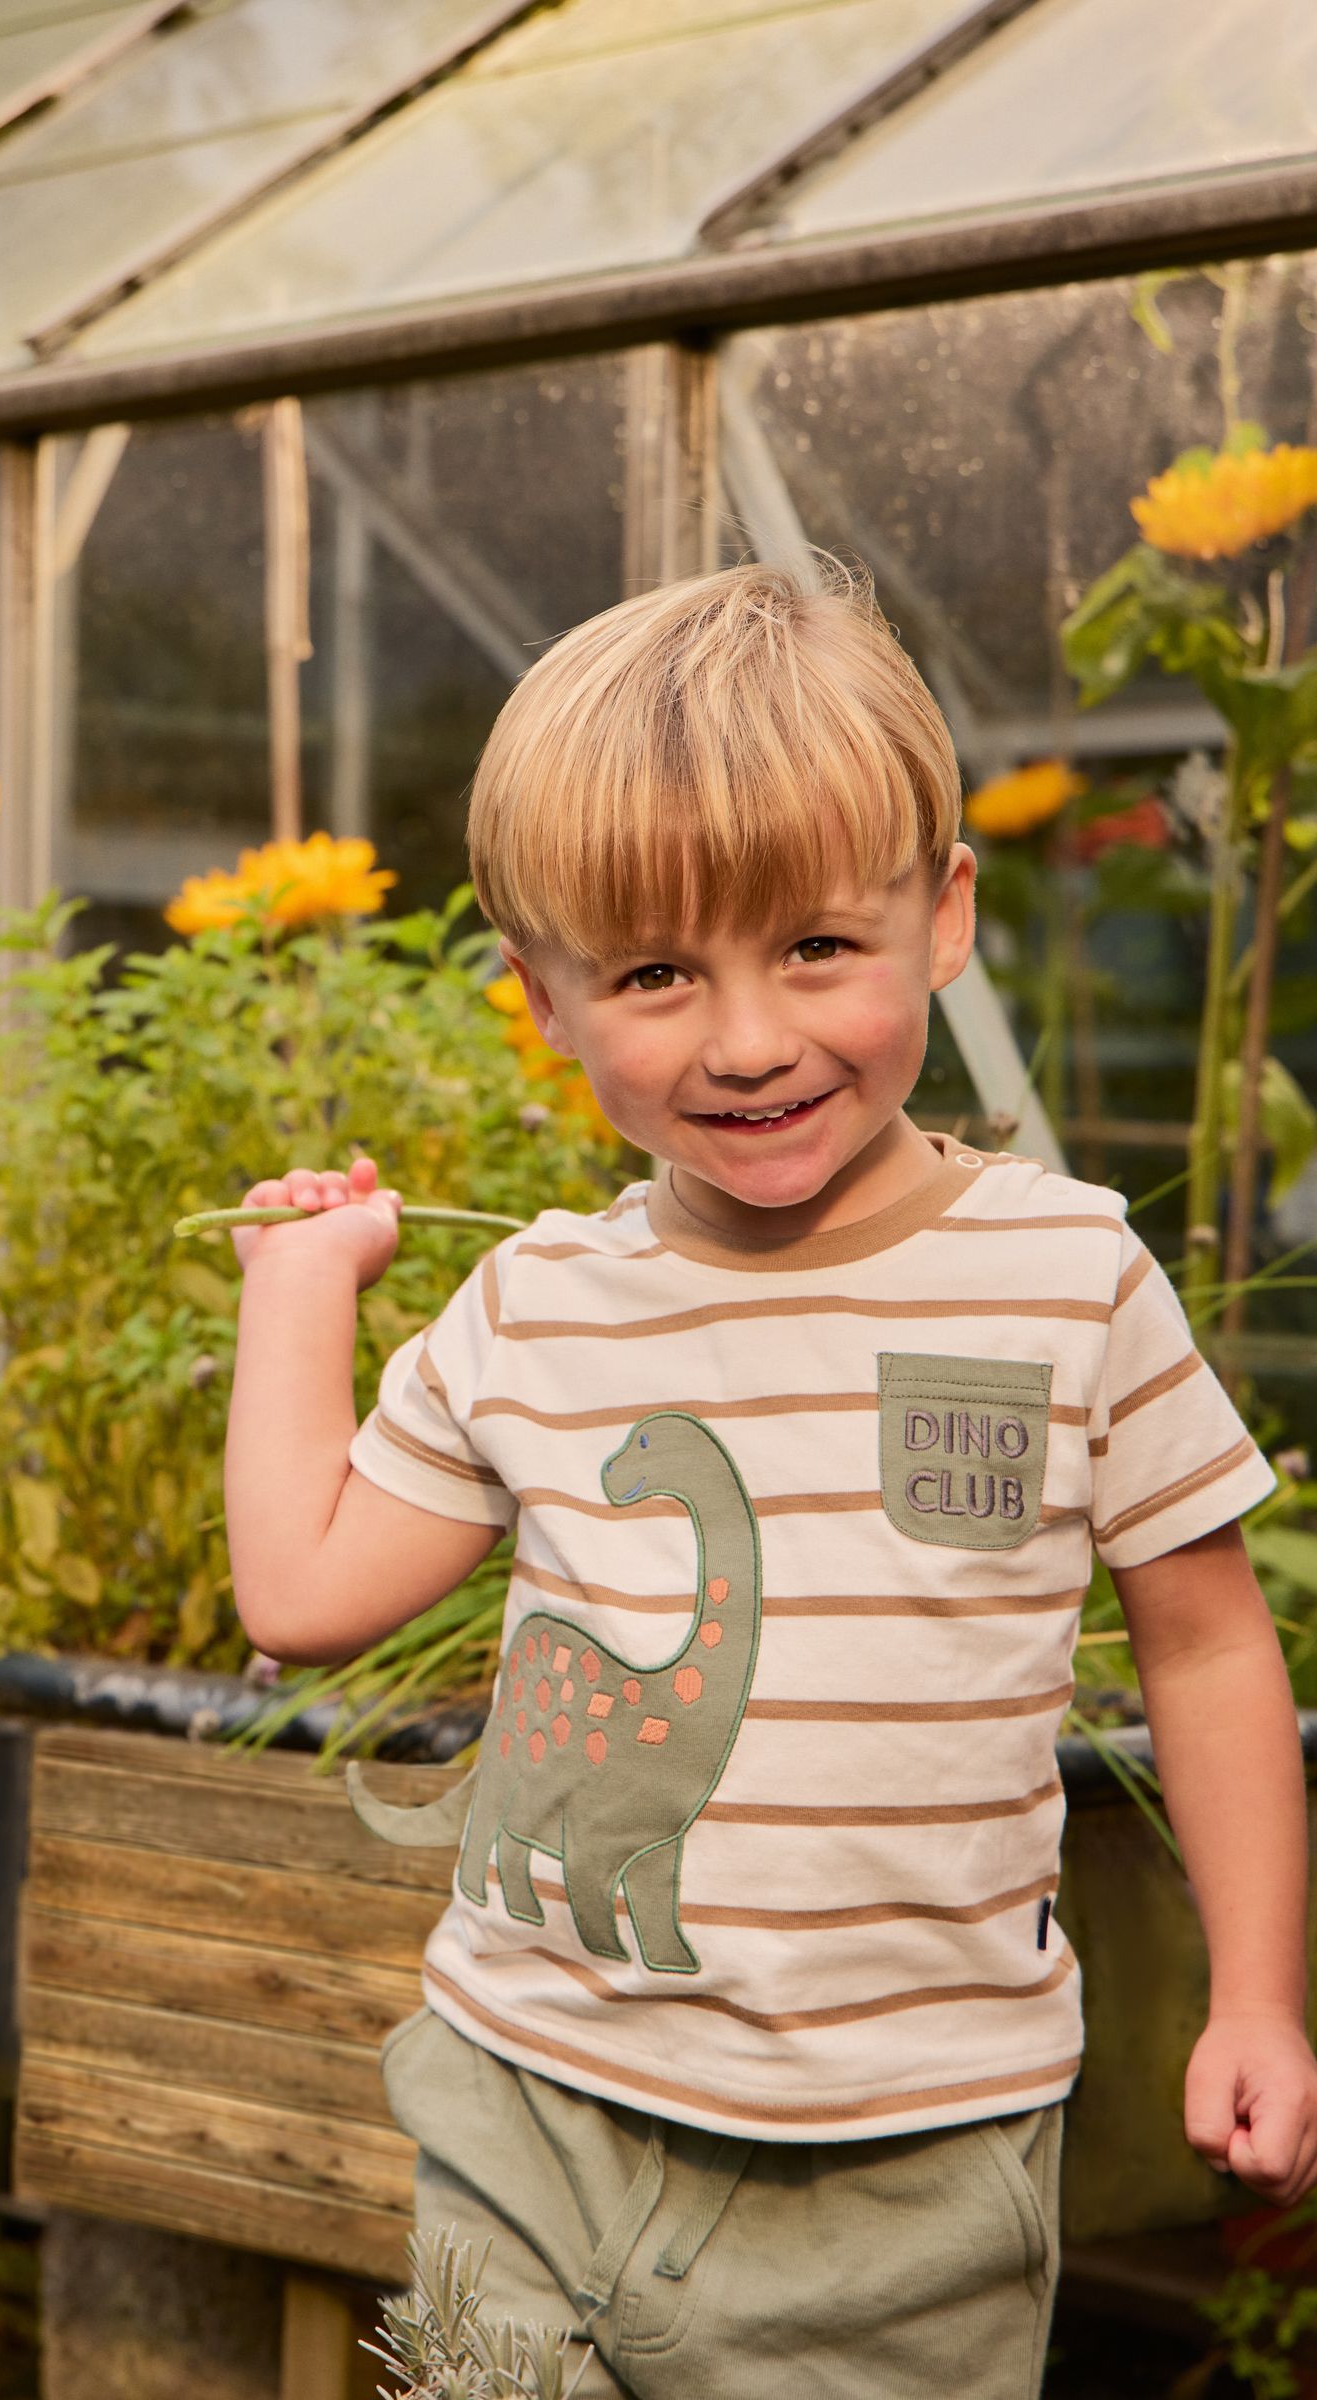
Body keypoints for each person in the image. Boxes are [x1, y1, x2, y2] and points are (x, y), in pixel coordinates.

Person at [223, 560, 1317, 2398]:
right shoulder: (541, 1308)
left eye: (816, 946)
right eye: (655, 973)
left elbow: (1208, 1651)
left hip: (908, 2179)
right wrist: (298, 1291)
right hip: (529, 2114)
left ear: (943, 916)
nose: (746, 1040)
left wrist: (1265, 1995)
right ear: (548, 1000)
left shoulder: (1069, 1280)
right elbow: (300, 1593)